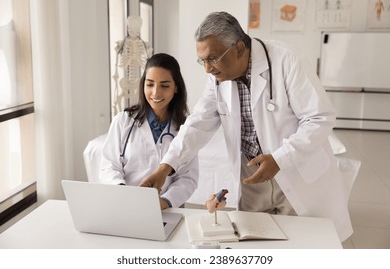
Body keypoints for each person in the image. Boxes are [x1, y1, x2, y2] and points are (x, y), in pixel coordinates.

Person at [140, 12, 352, 241]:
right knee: (254, 244)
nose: (207, 69)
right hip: (251, 175)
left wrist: (280, 159)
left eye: (213, 58)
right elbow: (197, 123)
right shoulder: (217, 77)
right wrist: (165, 166)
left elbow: (320, 118)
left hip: (294, 169)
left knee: (301, 245)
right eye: (203, 61)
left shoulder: (287, 60)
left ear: (239, 48)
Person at [100, 53, 198, 209]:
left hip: (166, 209)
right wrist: (122, 192)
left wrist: (164, 202)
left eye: (164, 85)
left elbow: (188, 178)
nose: (155, 93)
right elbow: (108, 166)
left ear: (176, 87)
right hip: (125, 205)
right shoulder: (123, 120)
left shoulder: (185, 128)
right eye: (150, 84)